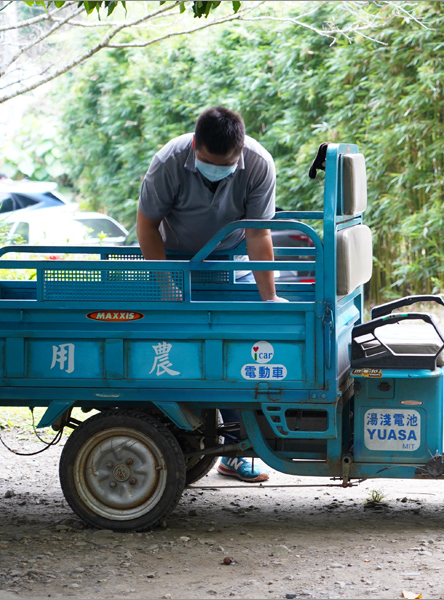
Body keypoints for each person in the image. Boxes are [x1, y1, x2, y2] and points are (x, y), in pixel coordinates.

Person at [137, 105, 281, 483]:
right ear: (194, 145)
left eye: (226, 163)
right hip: (175, 262)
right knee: (182, 350)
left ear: (241, 149)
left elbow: (258, 233)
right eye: (206, 161)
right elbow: (147, 225)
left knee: (235, 351)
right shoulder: (168, 160)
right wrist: (167, 284)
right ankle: (184, 439)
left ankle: (234, 451)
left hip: (232, 265)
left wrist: (269, 300)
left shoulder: (260, 164)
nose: (216, 169)